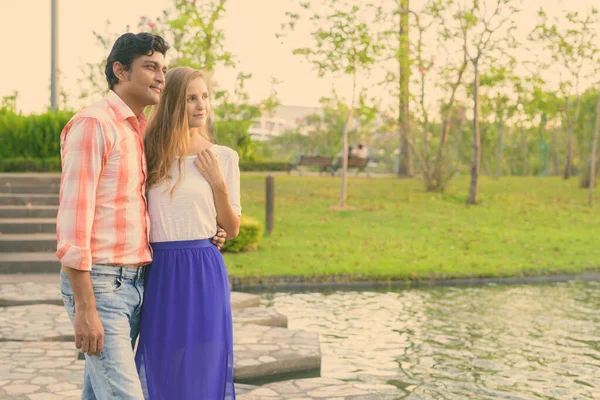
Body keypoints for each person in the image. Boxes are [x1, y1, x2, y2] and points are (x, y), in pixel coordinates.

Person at [57, 33, 225, 400]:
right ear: (120, 70)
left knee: (97, 393)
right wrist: (85, 307)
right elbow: (72, 225)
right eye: (150, 67)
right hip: (100, 284)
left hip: (138, 283)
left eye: (163, 69)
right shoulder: (94, 125)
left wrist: (209, 228)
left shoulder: (142, 132)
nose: (161, 77)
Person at [135, 66, 241, 399]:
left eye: (204, 97)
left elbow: (232, 228)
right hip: (161, 269)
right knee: (161, 361)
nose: (201, 105)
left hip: (203, 268)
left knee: (203, 363)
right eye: (190, 98)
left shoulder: (223, 157)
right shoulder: (148, 151)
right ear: (172, 103)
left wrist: (218, 184)